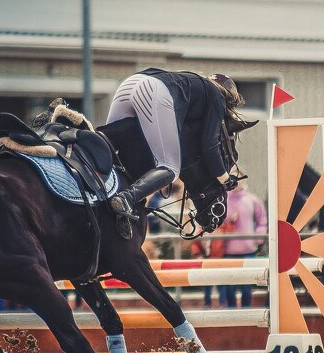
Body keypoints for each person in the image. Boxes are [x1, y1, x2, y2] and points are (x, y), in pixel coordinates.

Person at [105, 69, 247, 240]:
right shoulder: (217, 96)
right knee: (170, 167)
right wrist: (225, 179)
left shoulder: (192, 84)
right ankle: (125, 199)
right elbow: (210, 146)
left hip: (128, 84)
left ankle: (100, 199)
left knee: (112, 154)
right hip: (154, 90)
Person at [216, 181, 267, 308]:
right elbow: (216, 223)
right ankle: (232, 311)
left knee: (247, 285)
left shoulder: (252, 200)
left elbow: (262, 220)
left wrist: (258, 238)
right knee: (229, 285)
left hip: (248, 250)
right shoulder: (223, 201)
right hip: (228, 250)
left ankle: (246, 310)